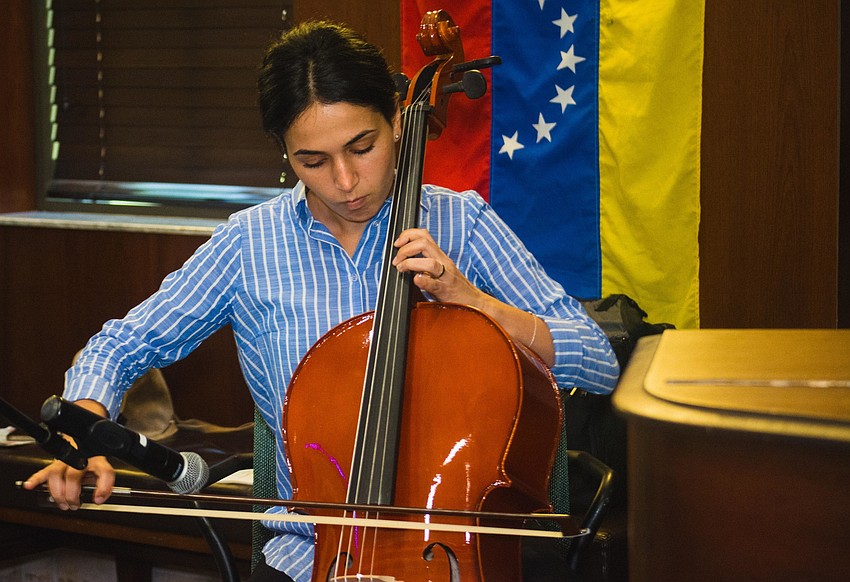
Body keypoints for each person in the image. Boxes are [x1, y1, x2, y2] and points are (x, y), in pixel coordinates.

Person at [24, 20, 619, 582]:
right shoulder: (249, 243)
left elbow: (596, 359)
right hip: (306, 555)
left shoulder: (461, 222)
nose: (344, 181)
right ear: (284, 154)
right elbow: (123, 344)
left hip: (455, 551)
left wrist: (471, 300)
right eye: (312, 160)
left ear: (396, 122)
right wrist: (84, 429)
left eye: (362, 147)